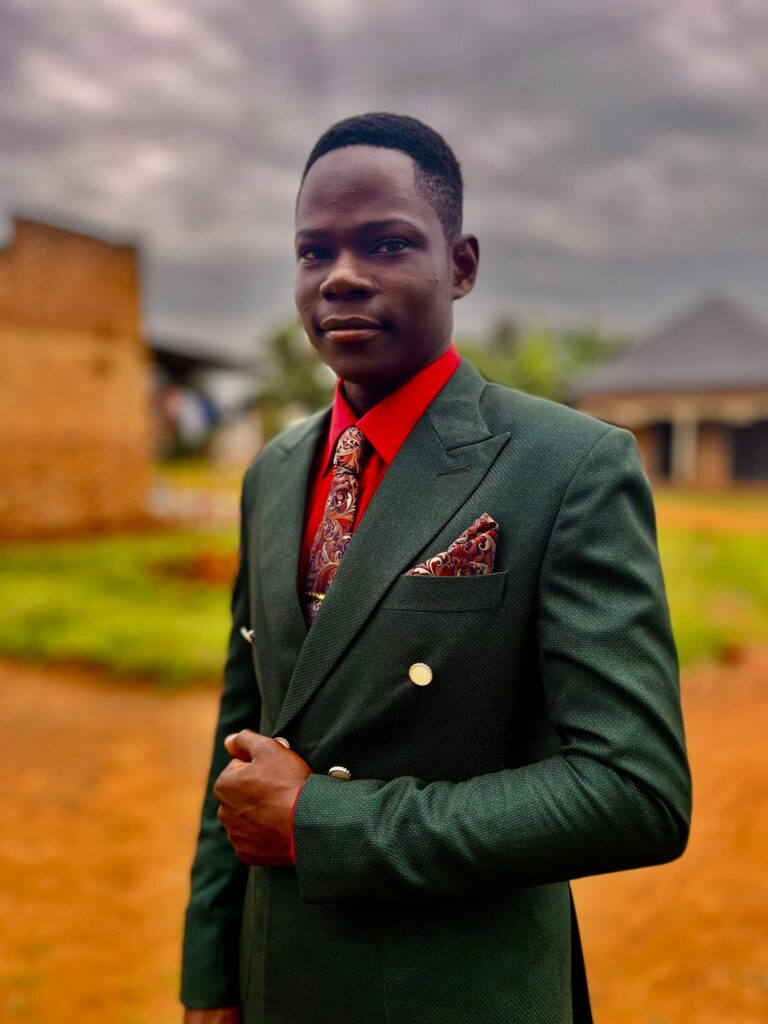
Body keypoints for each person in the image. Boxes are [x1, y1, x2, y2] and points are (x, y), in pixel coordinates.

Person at [180, 112, 691, 1024]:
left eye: (386, 244)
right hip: (276, 983)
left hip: (455, 990)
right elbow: (241, 738)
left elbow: (635, 792)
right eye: (313, 251)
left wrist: (320, 823)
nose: (341, 276)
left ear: (460, 265)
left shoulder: (566, 466)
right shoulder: (273, 473)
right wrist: (213, 977)